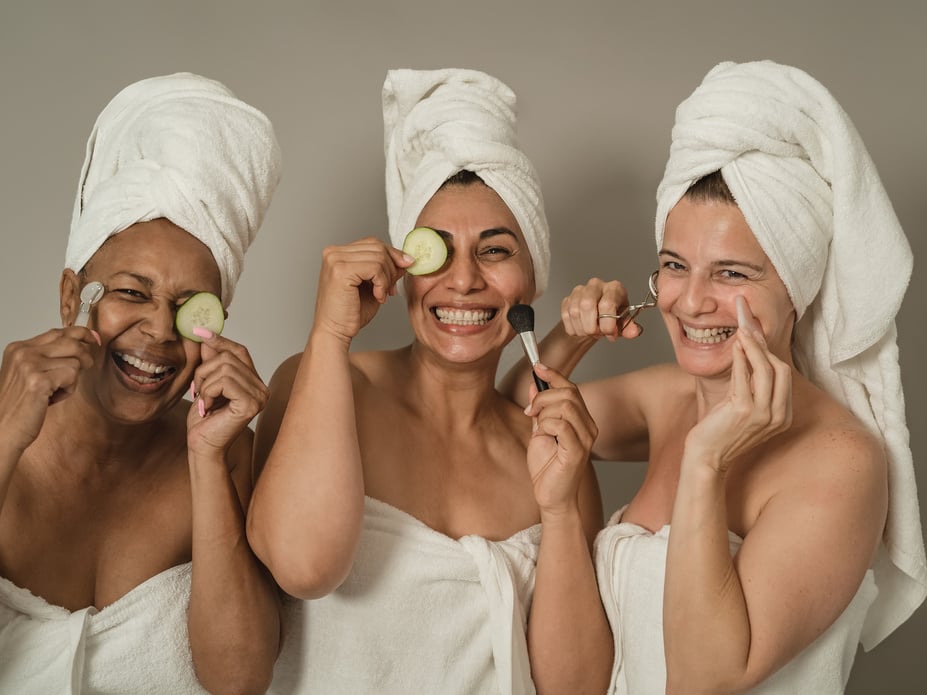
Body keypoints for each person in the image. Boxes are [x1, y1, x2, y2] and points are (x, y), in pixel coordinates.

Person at [503, 60, 927, 694]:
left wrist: (706, 461)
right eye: (675, 265)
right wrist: (573, 335)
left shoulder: (841, 462)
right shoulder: (664, 397)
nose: (691, 300)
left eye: (732, 274)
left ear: (797, 290)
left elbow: (702, 679)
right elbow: (520, 410)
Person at [247, 68, 612, 694]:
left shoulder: (554, 450)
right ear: (402, 270)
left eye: (495, 250)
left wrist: (556, 507)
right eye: (437, 251)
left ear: (532, 278)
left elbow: (576, 689)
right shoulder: (326, 383)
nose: (464, 280)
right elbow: (302, 567)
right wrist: (330, 335)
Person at [0, 73, 283, 694]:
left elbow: (240, 680)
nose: (159, 330)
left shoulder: (227, 449)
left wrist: (209, 459)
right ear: (73, 295)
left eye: (190, 308)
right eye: (131, 293)